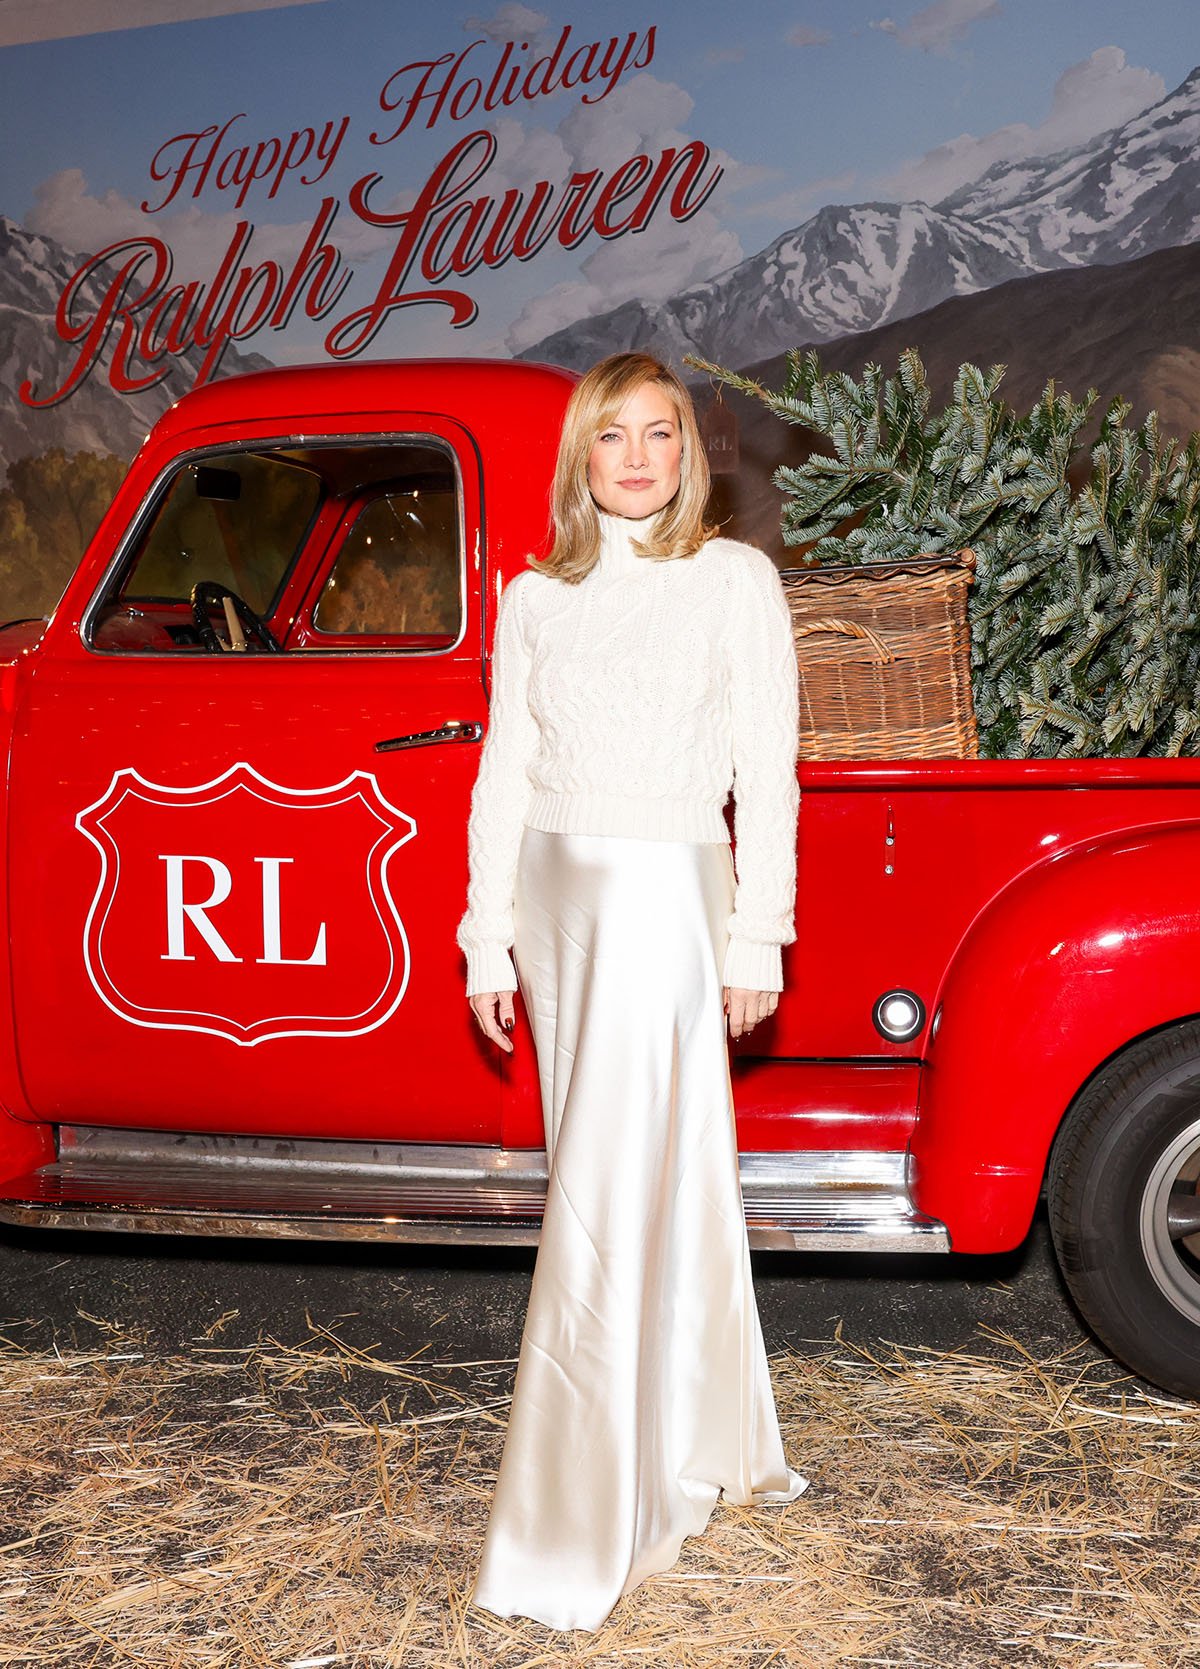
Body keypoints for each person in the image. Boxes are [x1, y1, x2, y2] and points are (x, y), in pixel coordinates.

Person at [455, 351, 807, 1633]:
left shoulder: (734, 580)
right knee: (615, 1179)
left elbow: (769, 769)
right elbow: (506, 772)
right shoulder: (534, 597)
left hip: (668, 901)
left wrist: (757, 933)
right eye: (615, 436)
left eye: (661, 434)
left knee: (607, 1195)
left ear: (687, 453)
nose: (640, 457)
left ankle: (578, 1517)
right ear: (582, 458)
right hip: (557, 902)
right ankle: (677, 1433)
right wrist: (486, 936)